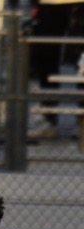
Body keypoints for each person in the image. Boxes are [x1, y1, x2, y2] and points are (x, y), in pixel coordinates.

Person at [28, 0, 84, 138]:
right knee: (45, 58)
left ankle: (82, 122)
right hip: (48, 5)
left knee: (82, 60)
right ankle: (48, 117)